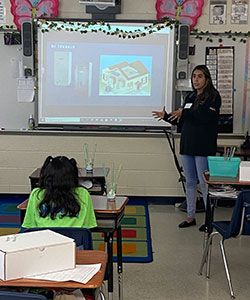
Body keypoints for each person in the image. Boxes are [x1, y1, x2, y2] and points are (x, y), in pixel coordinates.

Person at [152, 65, 221, 229]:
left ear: (207, 79)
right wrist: (167, 117)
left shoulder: (213, 96)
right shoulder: (190, 96)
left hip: (203, 146)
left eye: (199, 76)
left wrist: (184, 112)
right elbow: (182, 120)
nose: (195, 80)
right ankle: (191, 217)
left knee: (204, 184)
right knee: (190, 182)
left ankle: (209, 221)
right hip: (188, 144)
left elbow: (204, 116)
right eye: (194, 76)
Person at [22, 155, 97, 229]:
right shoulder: (83, 193)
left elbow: (30, 226)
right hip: (74, 240)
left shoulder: (36, 194)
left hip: (45, 240)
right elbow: (87, 226)